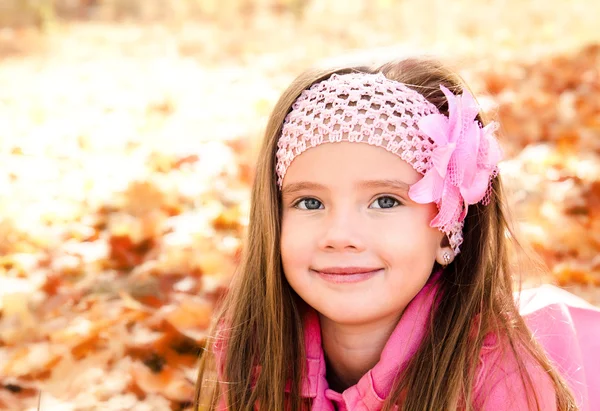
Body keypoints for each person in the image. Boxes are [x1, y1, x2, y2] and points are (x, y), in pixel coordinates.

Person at [194, 58, 599, 410]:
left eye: (385, 201)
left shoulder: (502, 371)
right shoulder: (257, 349)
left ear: (447, 227)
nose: (340, 235)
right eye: (310, 203)